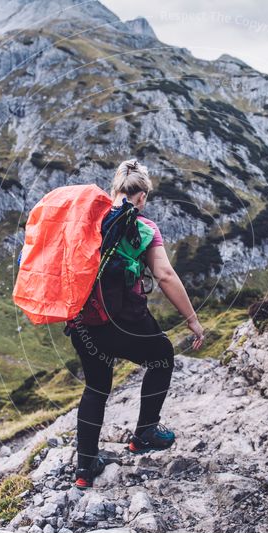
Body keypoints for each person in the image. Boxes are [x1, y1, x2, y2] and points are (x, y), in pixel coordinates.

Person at [65, 158, 205, 489]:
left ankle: (85, 468)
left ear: (114, 189)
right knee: (162, 356)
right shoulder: (143, 227)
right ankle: (144, 433)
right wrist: (192, 320)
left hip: (84, 323)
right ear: (141, 196)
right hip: (123, 322)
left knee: (96, 387)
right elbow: (165, 275)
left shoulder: (86, 220)